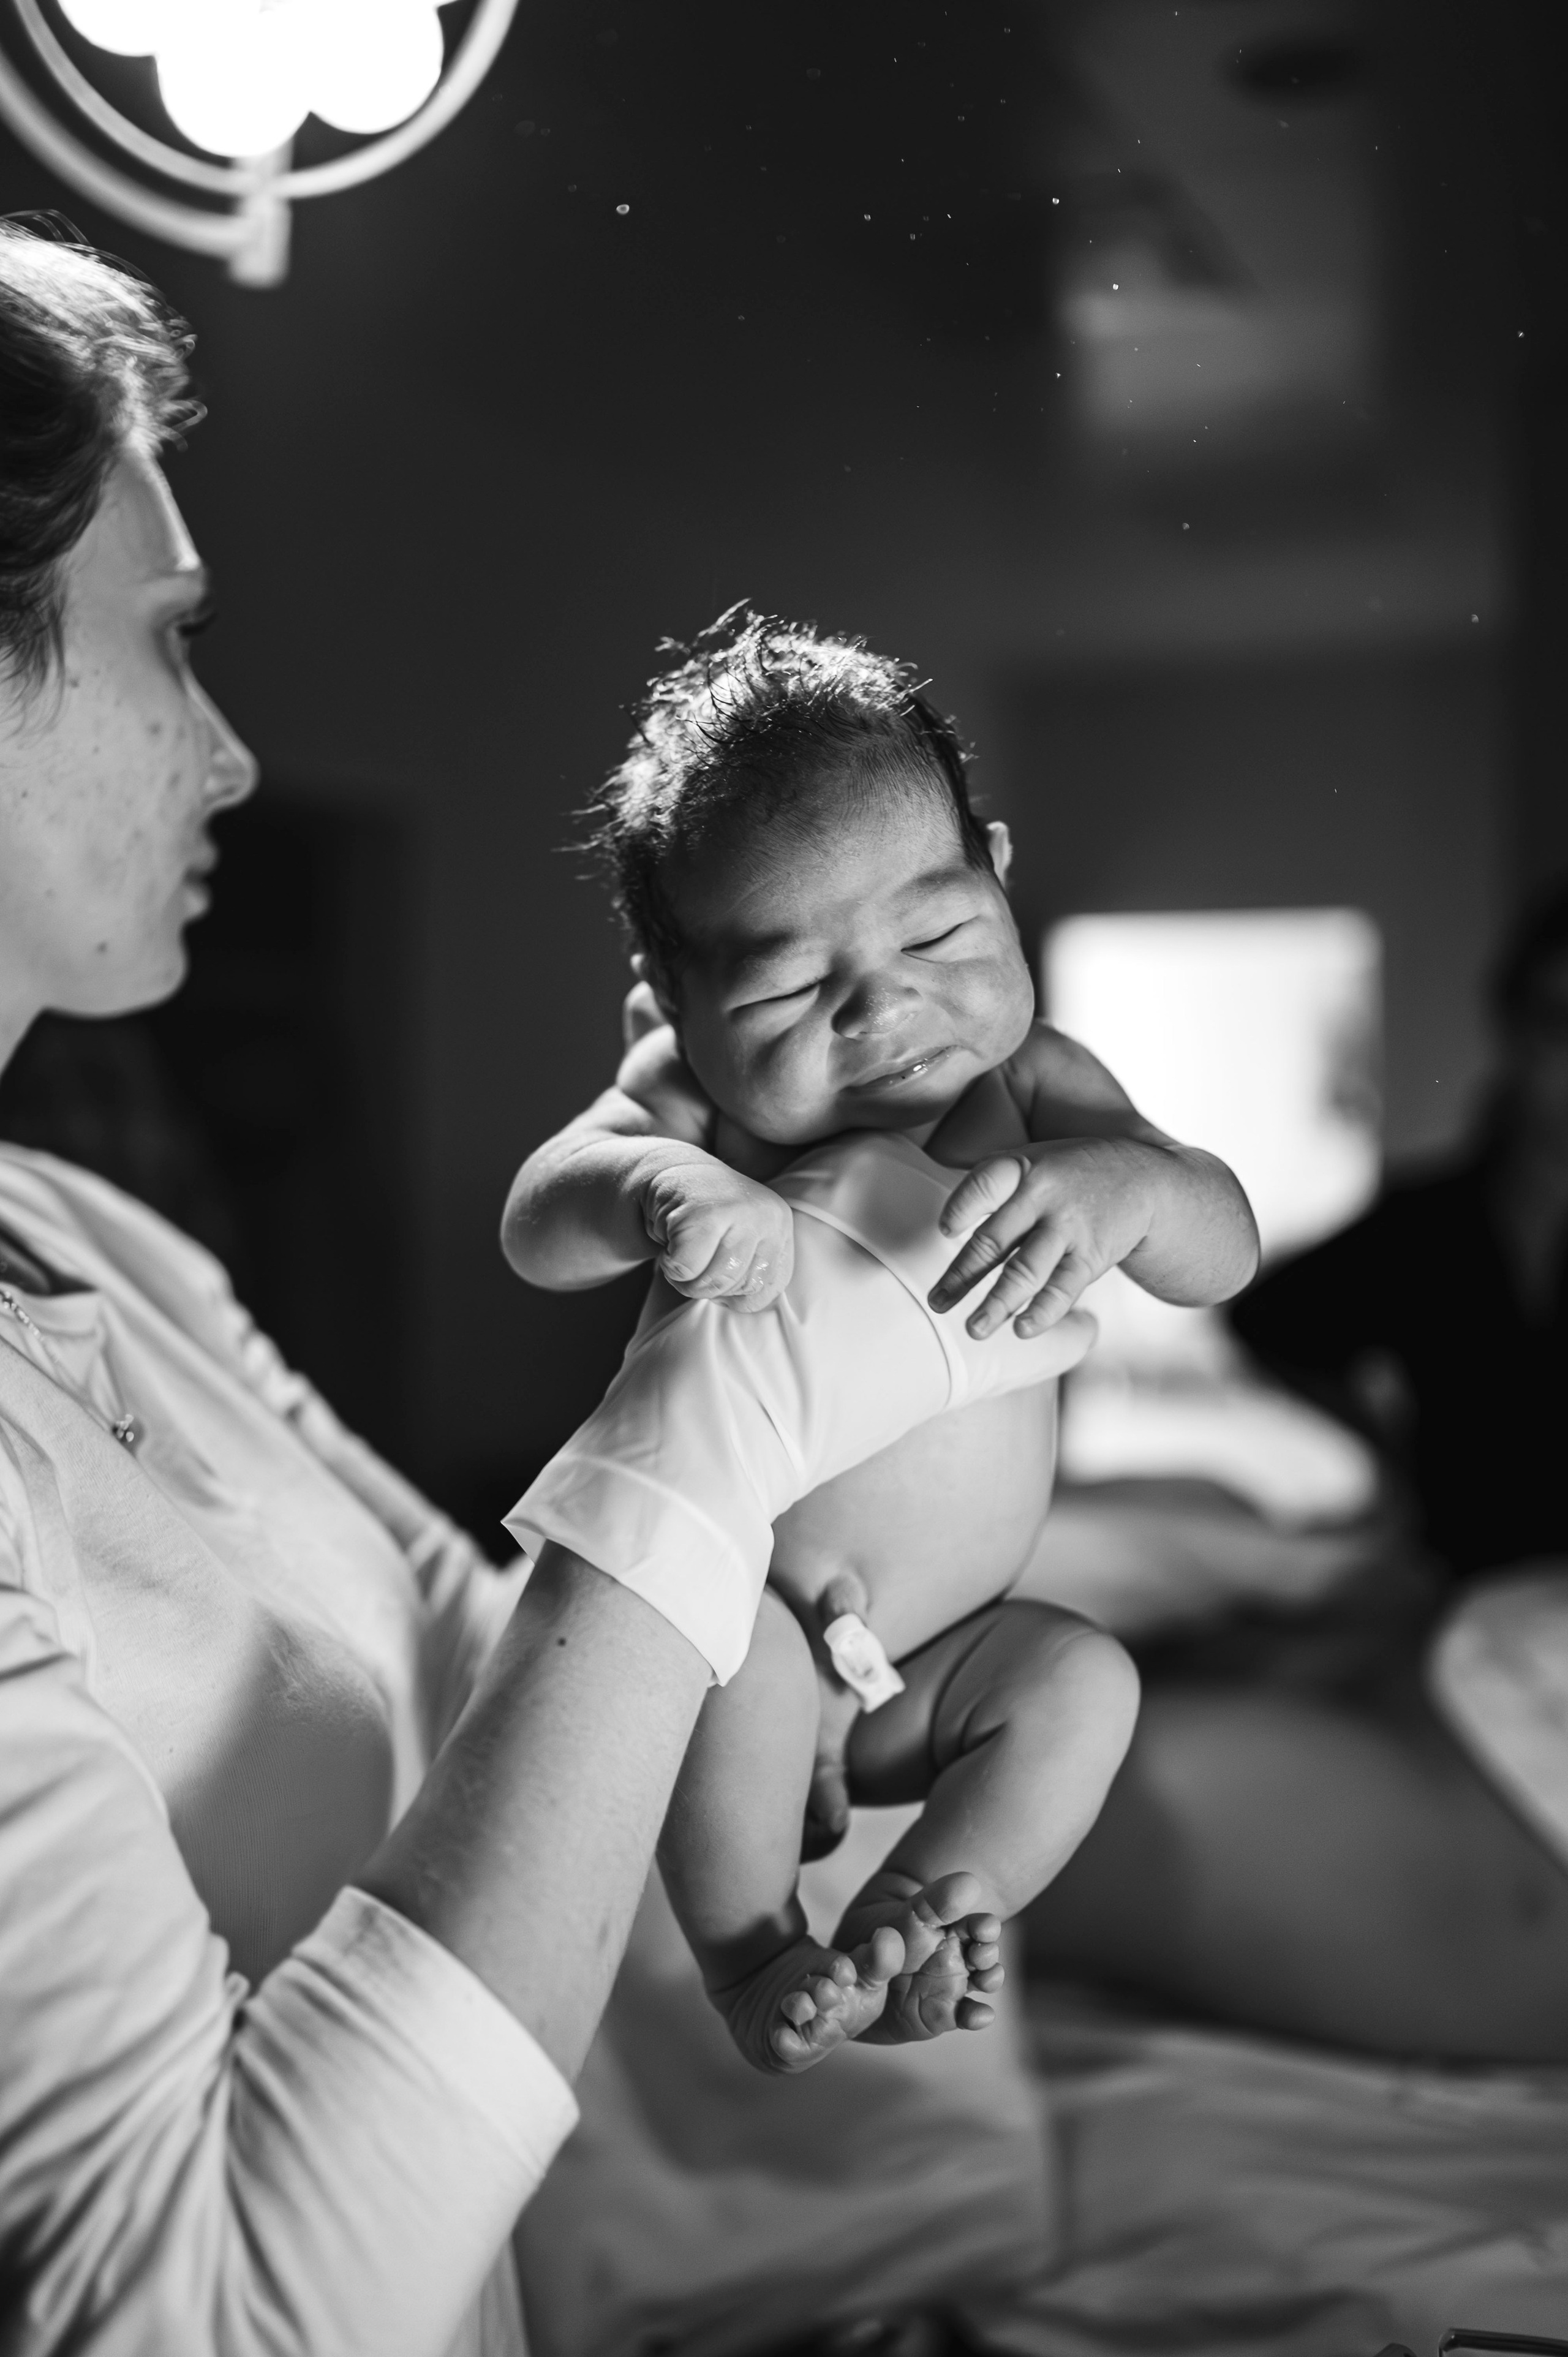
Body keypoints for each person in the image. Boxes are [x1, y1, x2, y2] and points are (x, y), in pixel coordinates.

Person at [0, 221, 1072, 2355]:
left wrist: (880, 1729)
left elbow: (505, 1665)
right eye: (173, 641)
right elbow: (207, 2321)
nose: (227, 754)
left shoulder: (90, 1237)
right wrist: (719, 1402)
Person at [503, 610, 1258, 2075]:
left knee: (1080, 1680)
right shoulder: (689, 1104)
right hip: (750, 1623)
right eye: (787, 987)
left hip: (935, 1660)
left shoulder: (1034, 1086)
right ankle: (752, 1951)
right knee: (743, 1667)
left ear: (998, 874)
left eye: (934, 934)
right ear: (671, 1005)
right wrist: (659, 1186)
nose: (882, 1004)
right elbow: (540, 1222)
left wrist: (1129, 1187)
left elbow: (1217, 1246)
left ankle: (926, 1904)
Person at [1027, 884, 1568, 2064]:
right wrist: (1372, 1451)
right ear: (1514, 1030)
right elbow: (1273, 1316)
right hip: (1455, 1584)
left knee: (1040, 1767)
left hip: (1506, 1693)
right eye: (1551, 1026)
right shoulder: (1441, 1217)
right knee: (1132, 1663)